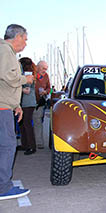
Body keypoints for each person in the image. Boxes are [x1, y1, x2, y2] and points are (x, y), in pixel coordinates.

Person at [0, 24, 32, 200]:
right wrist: (24, 79)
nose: (26, 43)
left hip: (6, 105)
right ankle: (3, 188)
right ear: (17, 37)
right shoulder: (5, 50)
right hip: (1, 107)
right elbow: (7, 76)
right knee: (7, 146)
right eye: (25, 39)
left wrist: (16, 105)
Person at [18, 57, 37, 155]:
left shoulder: (27, 75)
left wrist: (20, 89)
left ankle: (31, 146)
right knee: (23, 124)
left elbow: (27, 89)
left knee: (27, 124)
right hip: (26, 102)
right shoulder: (30, 74)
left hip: (27, 102)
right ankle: (25, 144)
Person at [33, 60, 50, 149]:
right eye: (43, 68)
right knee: (27, 123)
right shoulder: (32, 74)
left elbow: (49, 88)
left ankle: (39, 142)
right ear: (38, 67)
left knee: (38, 122)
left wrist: (45, 92)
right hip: (29, 101)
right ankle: (29, 142)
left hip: (39, 102)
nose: (44, 71)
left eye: (46, 69)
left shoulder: (46, 76)